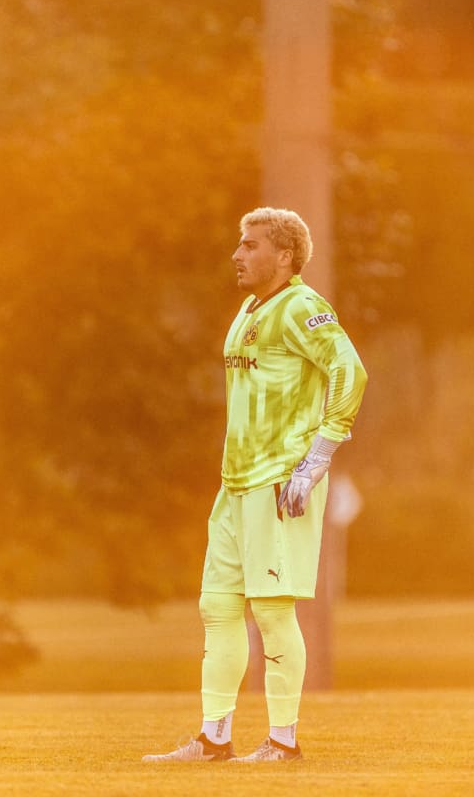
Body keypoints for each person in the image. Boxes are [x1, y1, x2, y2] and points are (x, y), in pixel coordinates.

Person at [143, 207, 367, 764]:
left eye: (250, 245)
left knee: (270, 611)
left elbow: (349, 369)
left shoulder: (302, 306)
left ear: (283, 255)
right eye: (239, 245)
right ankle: (214, 738)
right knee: (217, 608)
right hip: (236, 482)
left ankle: (282, 742)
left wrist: (318, 456)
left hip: (278, 482)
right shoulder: (248, 309)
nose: (237, 255)